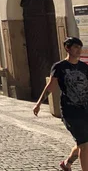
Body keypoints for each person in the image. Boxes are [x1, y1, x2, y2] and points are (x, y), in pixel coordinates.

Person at [33, 37, 88, 171]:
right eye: (75, 47)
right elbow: (50, 86)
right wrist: (39, 103)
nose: (78, 50)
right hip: (70, 112)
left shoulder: (84, 67)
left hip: (85, 109)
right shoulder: (59, 67)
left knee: (83, 143)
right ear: (67, 48)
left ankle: (67, 163)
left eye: (80, 47)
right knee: (85, 145)